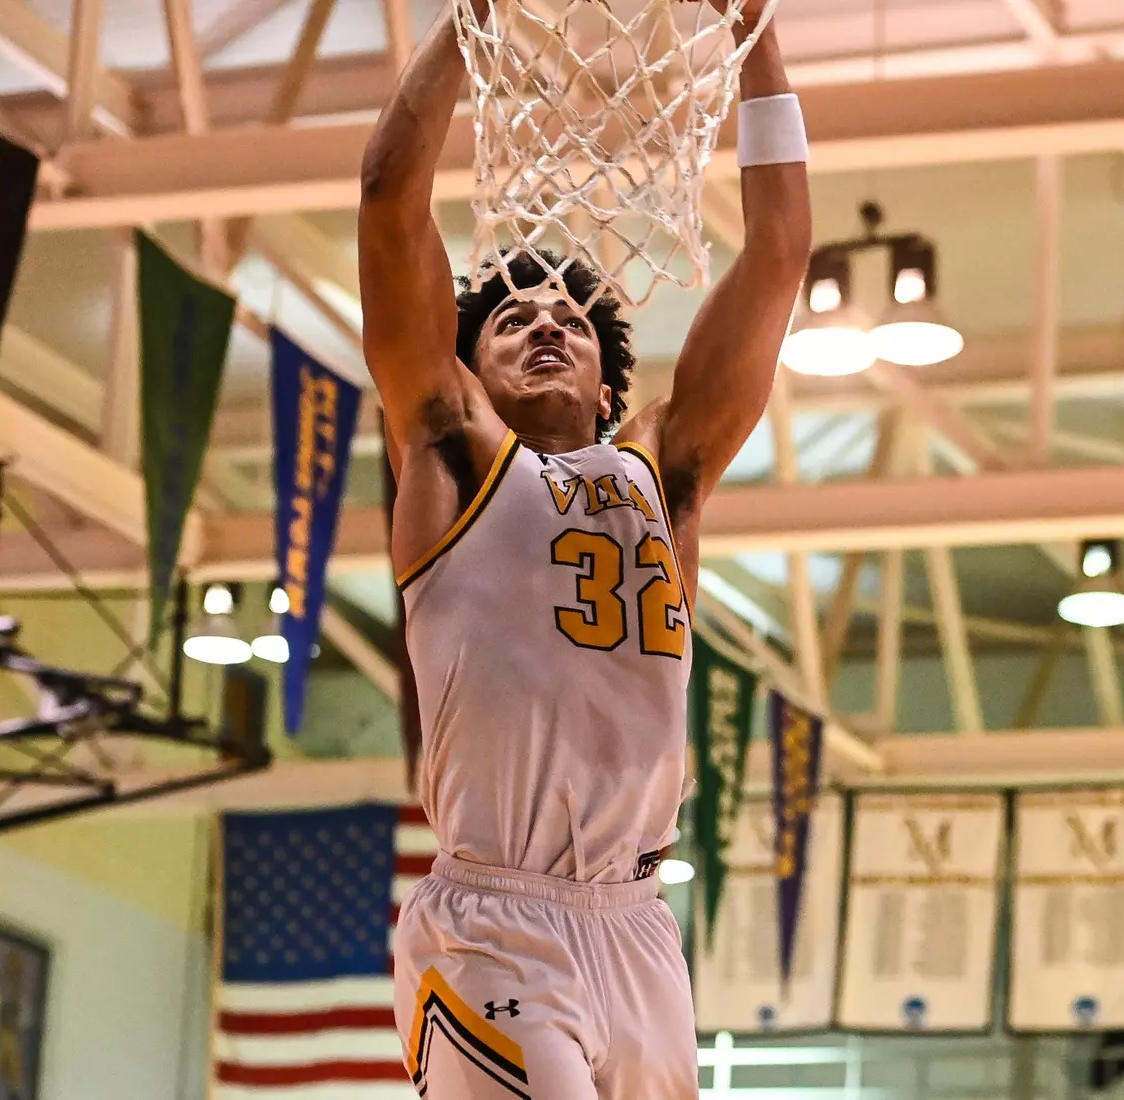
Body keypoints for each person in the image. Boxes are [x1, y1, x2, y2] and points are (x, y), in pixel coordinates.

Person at [358, 1, 811, 1095]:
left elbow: (782, 249)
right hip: (498, 920)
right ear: (469, 370)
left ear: (613, 386)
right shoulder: (451, 451)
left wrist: (758, 39)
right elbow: (386, 200)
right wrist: (464, 25)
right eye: (511, 317)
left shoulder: (662, 473)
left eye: (567, 311)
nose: (546, 318)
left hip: (640, 926)